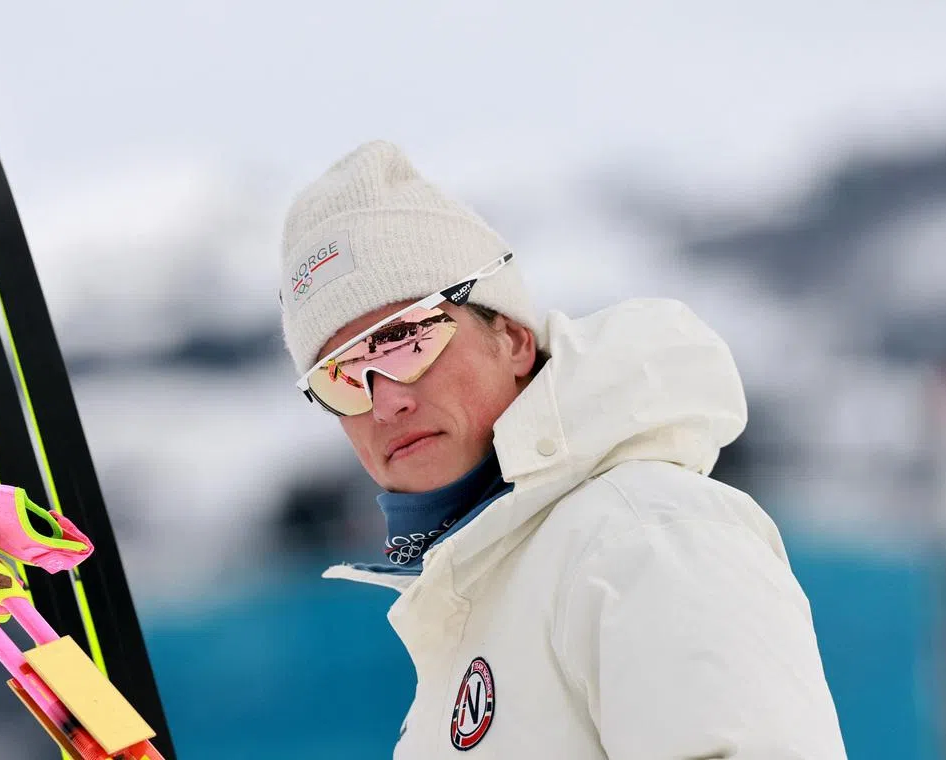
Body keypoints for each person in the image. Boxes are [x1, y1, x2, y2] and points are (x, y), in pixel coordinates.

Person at [277, 140, 848, 758]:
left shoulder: (643, 536)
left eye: (404, 342)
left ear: (514, 339)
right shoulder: (473, 599)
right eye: (340, 375)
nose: (384, 400)